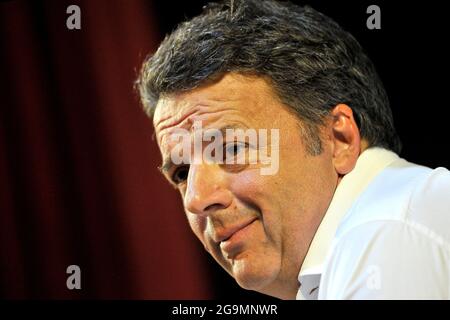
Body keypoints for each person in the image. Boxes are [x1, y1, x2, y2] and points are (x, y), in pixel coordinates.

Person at [135, 0, 450, 299]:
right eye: (182, 172)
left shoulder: (382, 236)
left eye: (230, 149)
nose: (196, 199)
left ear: (339, 139)